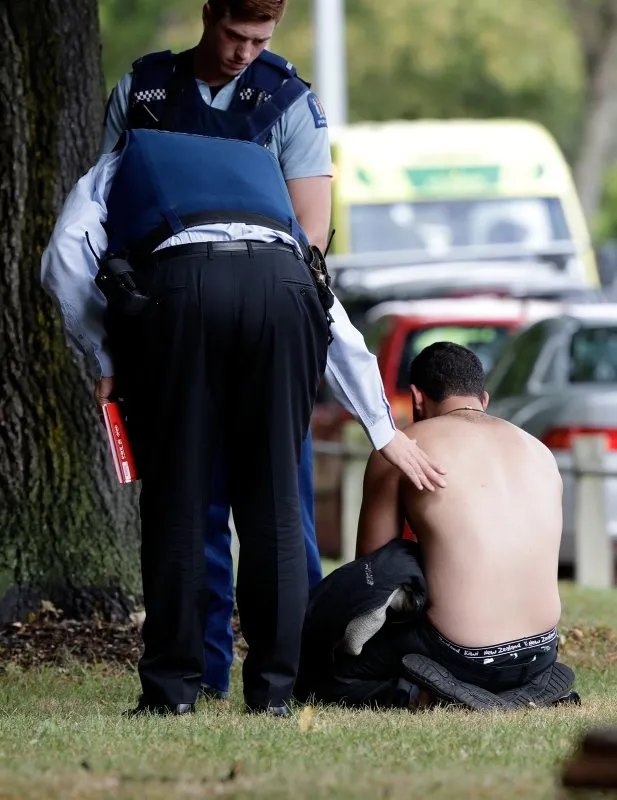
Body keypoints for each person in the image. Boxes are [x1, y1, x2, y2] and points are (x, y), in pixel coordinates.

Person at [97, 0, 447, 702]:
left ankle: (283, 676)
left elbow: (308, 243)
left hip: (253, 310)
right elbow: (106, 210)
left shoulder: (288, 100)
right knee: (192, 505)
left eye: (261, 39)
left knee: (272, 505)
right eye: (233, 35)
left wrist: (378, 423)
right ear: (208, 15)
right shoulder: (142, 91)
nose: (244, 52)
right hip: (185, 310)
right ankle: (209, 670)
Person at [296, 342, 575, 710]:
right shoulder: (539, 451)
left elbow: (373, 575)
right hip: (541, 653)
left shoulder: (405, 447)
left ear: (416, 397)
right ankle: (520, 691)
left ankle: (421, 695)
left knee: (316, 676)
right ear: (484, 399)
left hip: (459, 654)